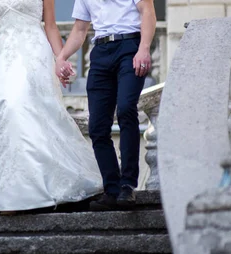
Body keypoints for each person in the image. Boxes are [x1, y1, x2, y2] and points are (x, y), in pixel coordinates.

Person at [0, 0, 104, 215]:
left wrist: (61, 59)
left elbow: (50, 26)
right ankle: (10, 192)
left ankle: (35, 187)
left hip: (33, 56)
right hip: (4, 59)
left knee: (21, 108)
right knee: (6, 111)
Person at [56, 0, 156, 210]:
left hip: (130, 47)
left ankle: (127, 184)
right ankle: (112, 189)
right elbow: (80, 28)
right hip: (100, 53)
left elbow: (147, 10)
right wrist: (62, 57)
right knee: (97, 127)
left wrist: (144, 48)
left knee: (126, 108)